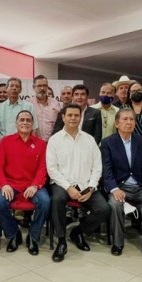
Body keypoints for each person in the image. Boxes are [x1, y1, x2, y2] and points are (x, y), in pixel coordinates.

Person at [46, 104, 111, 263]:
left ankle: (78, 232)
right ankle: (61, 241)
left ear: (80, 117)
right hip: (62, 184)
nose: (73, 118)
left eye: (76, 115)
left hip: (85, 185)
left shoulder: (89, 140)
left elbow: (97, 167)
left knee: (104, 209)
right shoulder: (54, 140)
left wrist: (91, 188)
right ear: (63, 117)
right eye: (70, 115)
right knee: (57, 200)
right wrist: (68, 188)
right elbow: (52, 169)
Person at [101, 109, 142, 260]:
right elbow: (106, 169)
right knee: (115, 204)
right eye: (125, 119)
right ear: (117, 123)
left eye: (132, 119)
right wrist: (114, 188)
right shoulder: (108, 143)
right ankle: (117, 243)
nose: (129, 122)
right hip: (120, 187)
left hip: (140, 187)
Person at [0, 110, 49, 255]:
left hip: (32, 184)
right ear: (16, 123)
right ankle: (13, 234)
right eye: (22, 120)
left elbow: (43, 167)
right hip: (11, 183)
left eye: (28, 120)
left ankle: (33, 236)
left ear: (33, 124)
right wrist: (3, 184)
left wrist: (35, 185)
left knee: (45, 202)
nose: (25, 122)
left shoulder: (41, 144)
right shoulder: (6, 141)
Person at [27, 74, 61, 142]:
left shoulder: (55, 103)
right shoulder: (28, 104)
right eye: (39, 86)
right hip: (34, 142)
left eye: (44, 85)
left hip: (52, 142)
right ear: (33, 87)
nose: (42, 88)